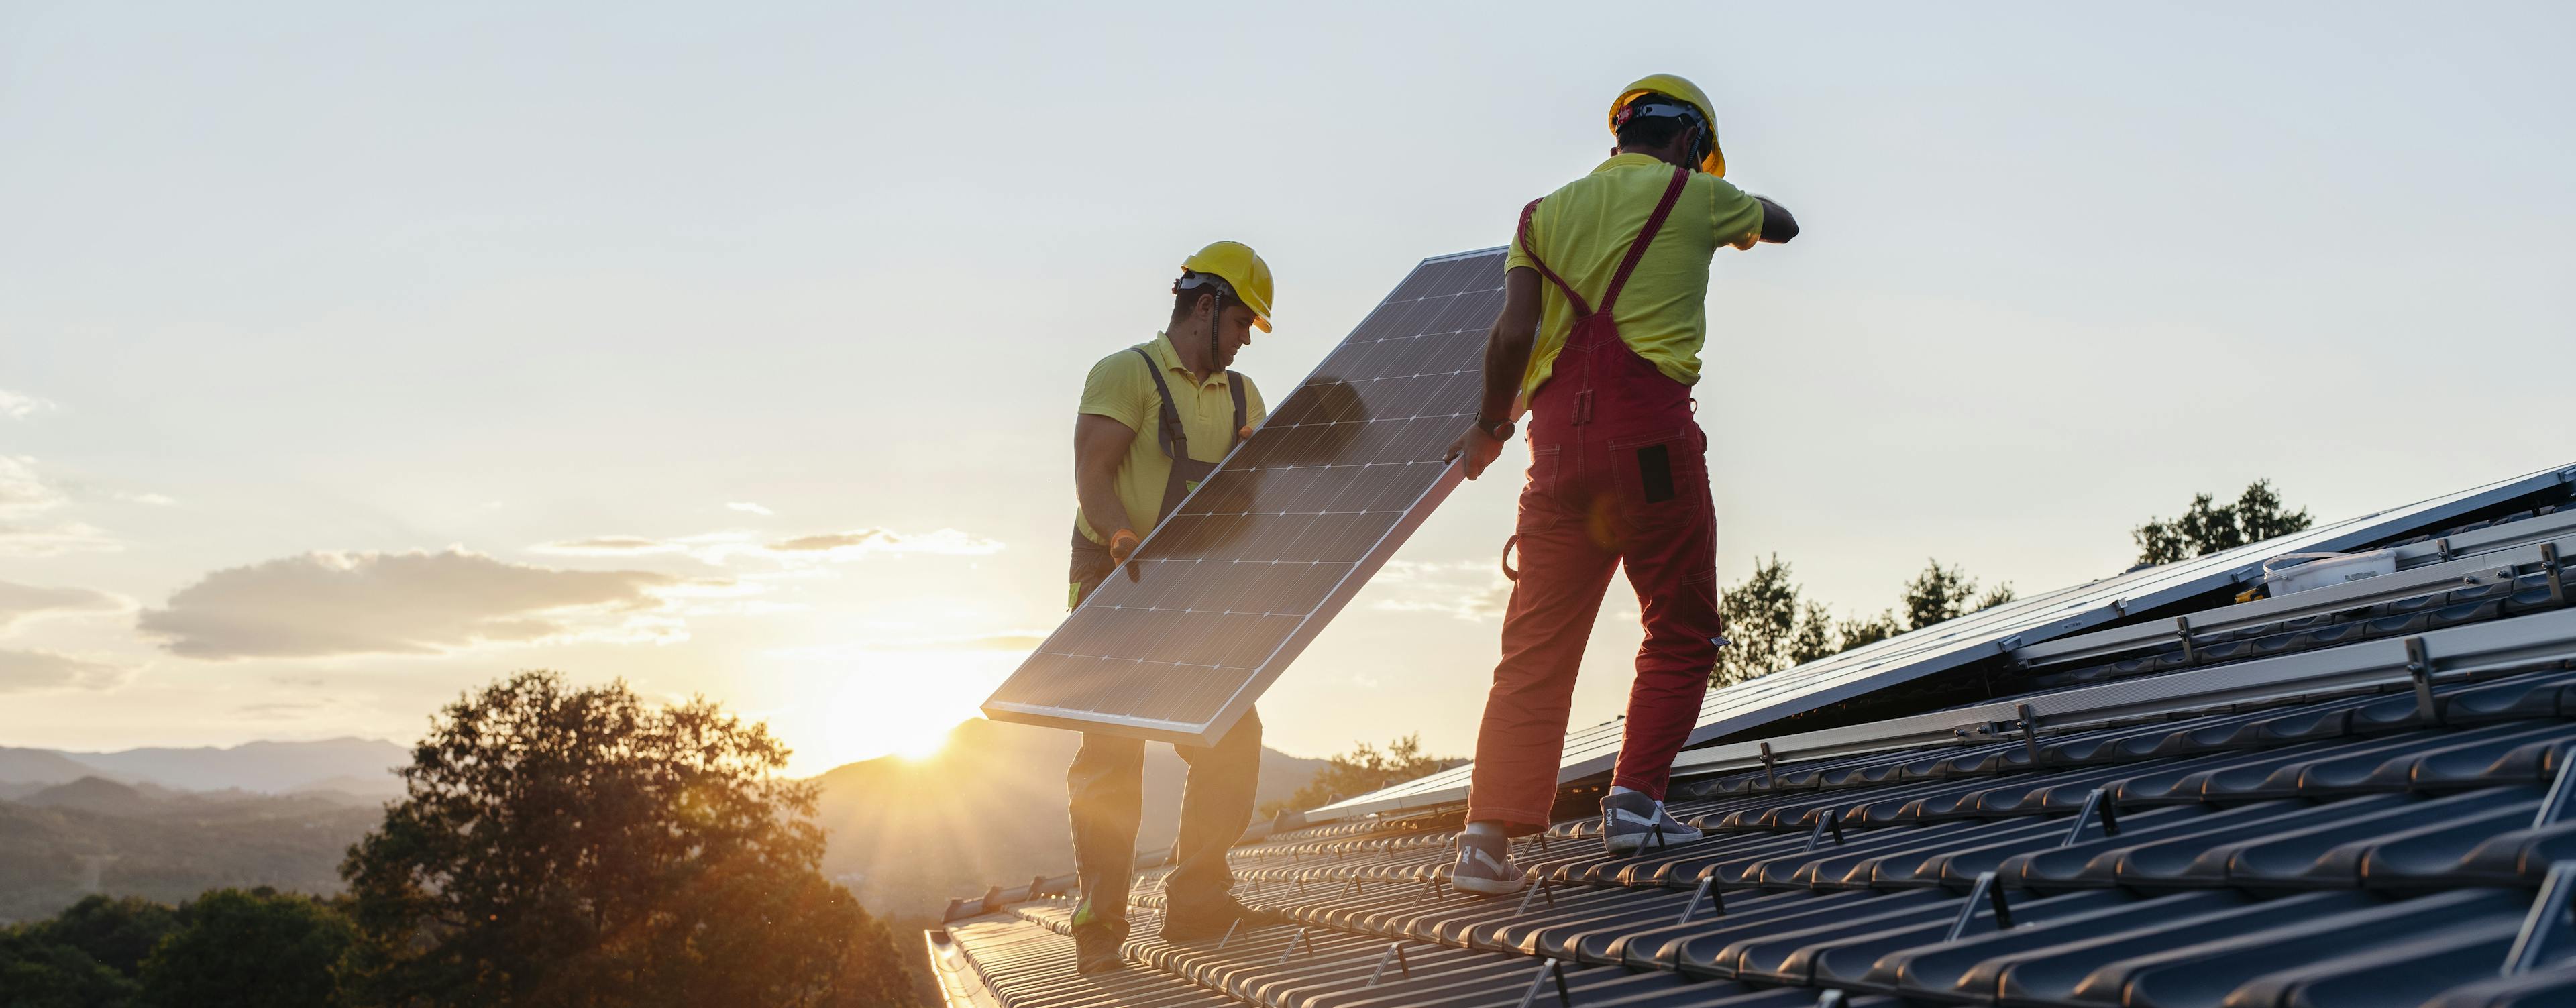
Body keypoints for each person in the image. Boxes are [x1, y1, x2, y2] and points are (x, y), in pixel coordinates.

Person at [1442, 75, 1799, 893]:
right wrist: (1724, 200)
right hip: (1650, 449)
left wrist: (1491, 426)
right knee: (1680, 626)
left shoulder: (1540, 217)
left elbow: (1513, 332)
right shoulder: (1699, 196)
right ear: (1687, 141)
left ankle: (1484, 842)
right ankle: (1636, 804)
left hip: (1555, 454)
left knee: (1534, 648)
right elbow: (1784, 223)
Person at [1063, 241, 1284, 971]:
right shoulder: (1126, 373)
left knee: (1232, 733)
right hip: (1115, 582)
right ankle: (1099, 926)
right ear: (1205, 306)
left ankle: (1196, 900)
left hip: (1192, 592)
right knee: (1111, 757)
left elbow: (1254, 501)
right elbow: (1093, 476)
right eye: (1242, 322)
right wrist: (1121, 536)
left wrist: (1262, 466)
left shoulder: (1245, 397)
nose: (1246, 338)